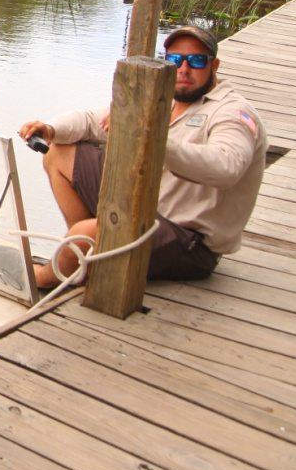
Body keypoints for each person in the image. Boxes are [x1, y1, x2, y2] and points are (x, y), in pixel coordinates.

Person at [18, 25, 267, 289]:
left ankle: (43, 277)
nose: (184, 69)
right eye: (175, 60)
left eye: (195, 61)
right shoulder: (165, 97)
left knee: (83, 234)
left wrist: (151, 137)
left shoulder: (233, 113)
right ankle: (89, 253)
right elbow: (92, 121)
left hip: (189, 242)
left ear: (213, 65)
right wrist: (50, 129)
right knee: (58, 152)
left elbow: (227, 168)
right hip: (146, 207)